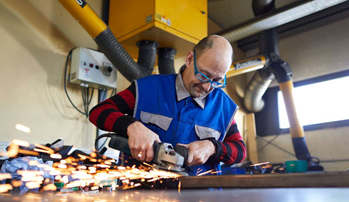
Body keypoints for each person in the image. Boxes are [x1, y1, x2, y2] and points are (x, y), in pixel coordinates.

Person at [89, 35, 246, 176]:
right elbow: (99, 112)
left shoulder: (224, 107)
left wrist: (213, 147)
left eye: (217, 81)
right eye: (203, 75)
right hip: (141, 197)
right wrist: (132, 126)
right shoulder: (147, 89)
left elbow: (240, 150)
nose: (207, 87)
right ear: (190, 59)